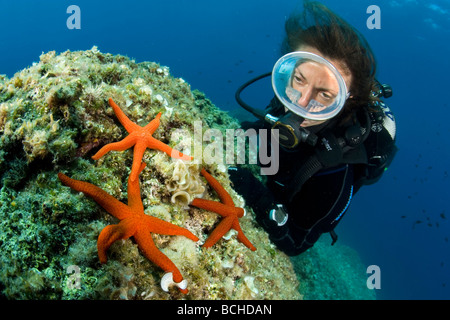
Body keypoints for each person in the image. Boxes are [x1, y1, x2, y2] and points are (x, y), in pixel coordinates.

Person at [229, 1, 397, 256]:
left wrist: (253, 191)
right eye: (299, 79)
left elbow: (296, 243)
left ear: (346, 100)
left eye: (325, 94)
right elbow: (259, 132)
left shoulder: (336, 169)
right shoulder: (286, 102)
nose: (301, 103)